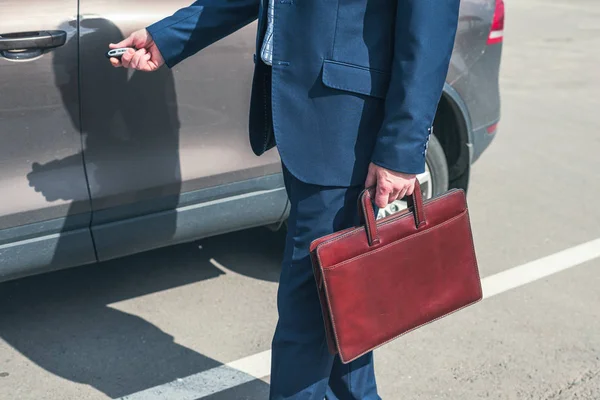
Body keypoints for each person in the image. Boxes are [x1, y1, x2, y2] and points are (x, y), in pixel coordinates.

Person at [109, 0, 460, 398]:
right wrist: (167, 36)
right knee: (339, 303)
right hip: (306, 113)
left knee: (309, 306)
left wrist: (401, 149)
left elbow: (429, 30)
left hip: (347, 124)